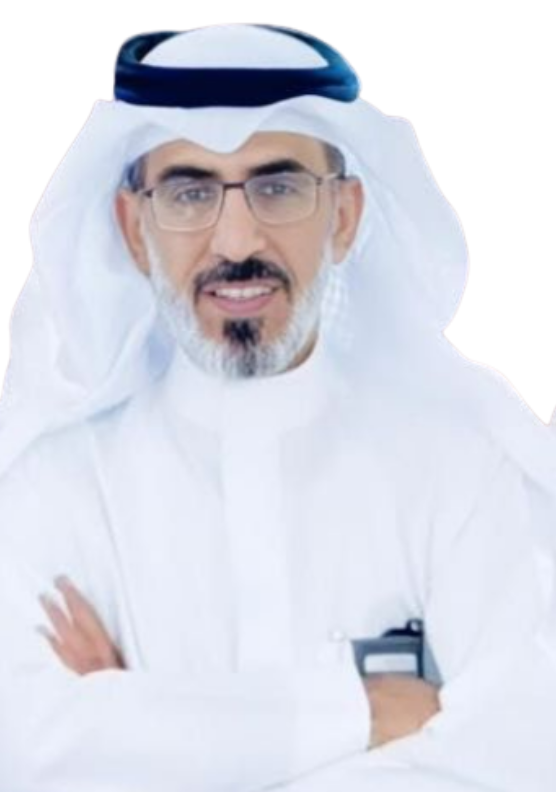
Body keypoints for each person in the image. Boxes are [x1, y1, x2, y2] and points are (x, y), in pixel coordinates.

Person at [0, 23, 555, 792]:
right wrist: (364, 713)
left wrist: (143, 733)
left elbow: (521, 750)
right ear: (134, 228)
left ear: (344, 216)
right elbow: (26, 749)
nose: (236, 240)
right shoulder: (49, 491)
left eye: (279, 187)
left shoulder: (461, 470)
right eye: (190, 192)